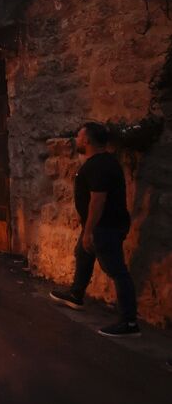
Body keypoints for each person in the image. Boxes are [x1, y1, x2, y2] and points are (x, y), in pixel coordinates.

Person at [50, 122, 139, 338]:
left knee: (116, 270)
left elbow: (97, 200)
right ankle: (76, 294)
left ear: (87, 141)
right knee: (83, 253)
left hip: (104, 227)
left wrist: (89, 231)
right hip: (103, 225)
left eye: (79, 137)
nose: (76, 140)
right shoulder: (104, 162)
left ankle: (129, 322)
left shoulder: (99, 165)